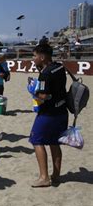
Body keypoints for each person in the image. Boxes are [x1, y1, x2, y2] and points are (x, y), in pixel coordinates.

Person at [29, 44, 68, 188]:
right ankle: (56, 175)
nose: (33, 59)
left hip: (49, 113)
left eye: (34, 56)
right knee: (54, 142)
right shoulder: (59, 67)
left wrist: (33, 91)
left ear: (42, 56)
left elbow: (44, 95)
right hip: (62, 111)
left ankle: (44, 177)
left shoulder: (45, 73)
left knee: (36, 140)